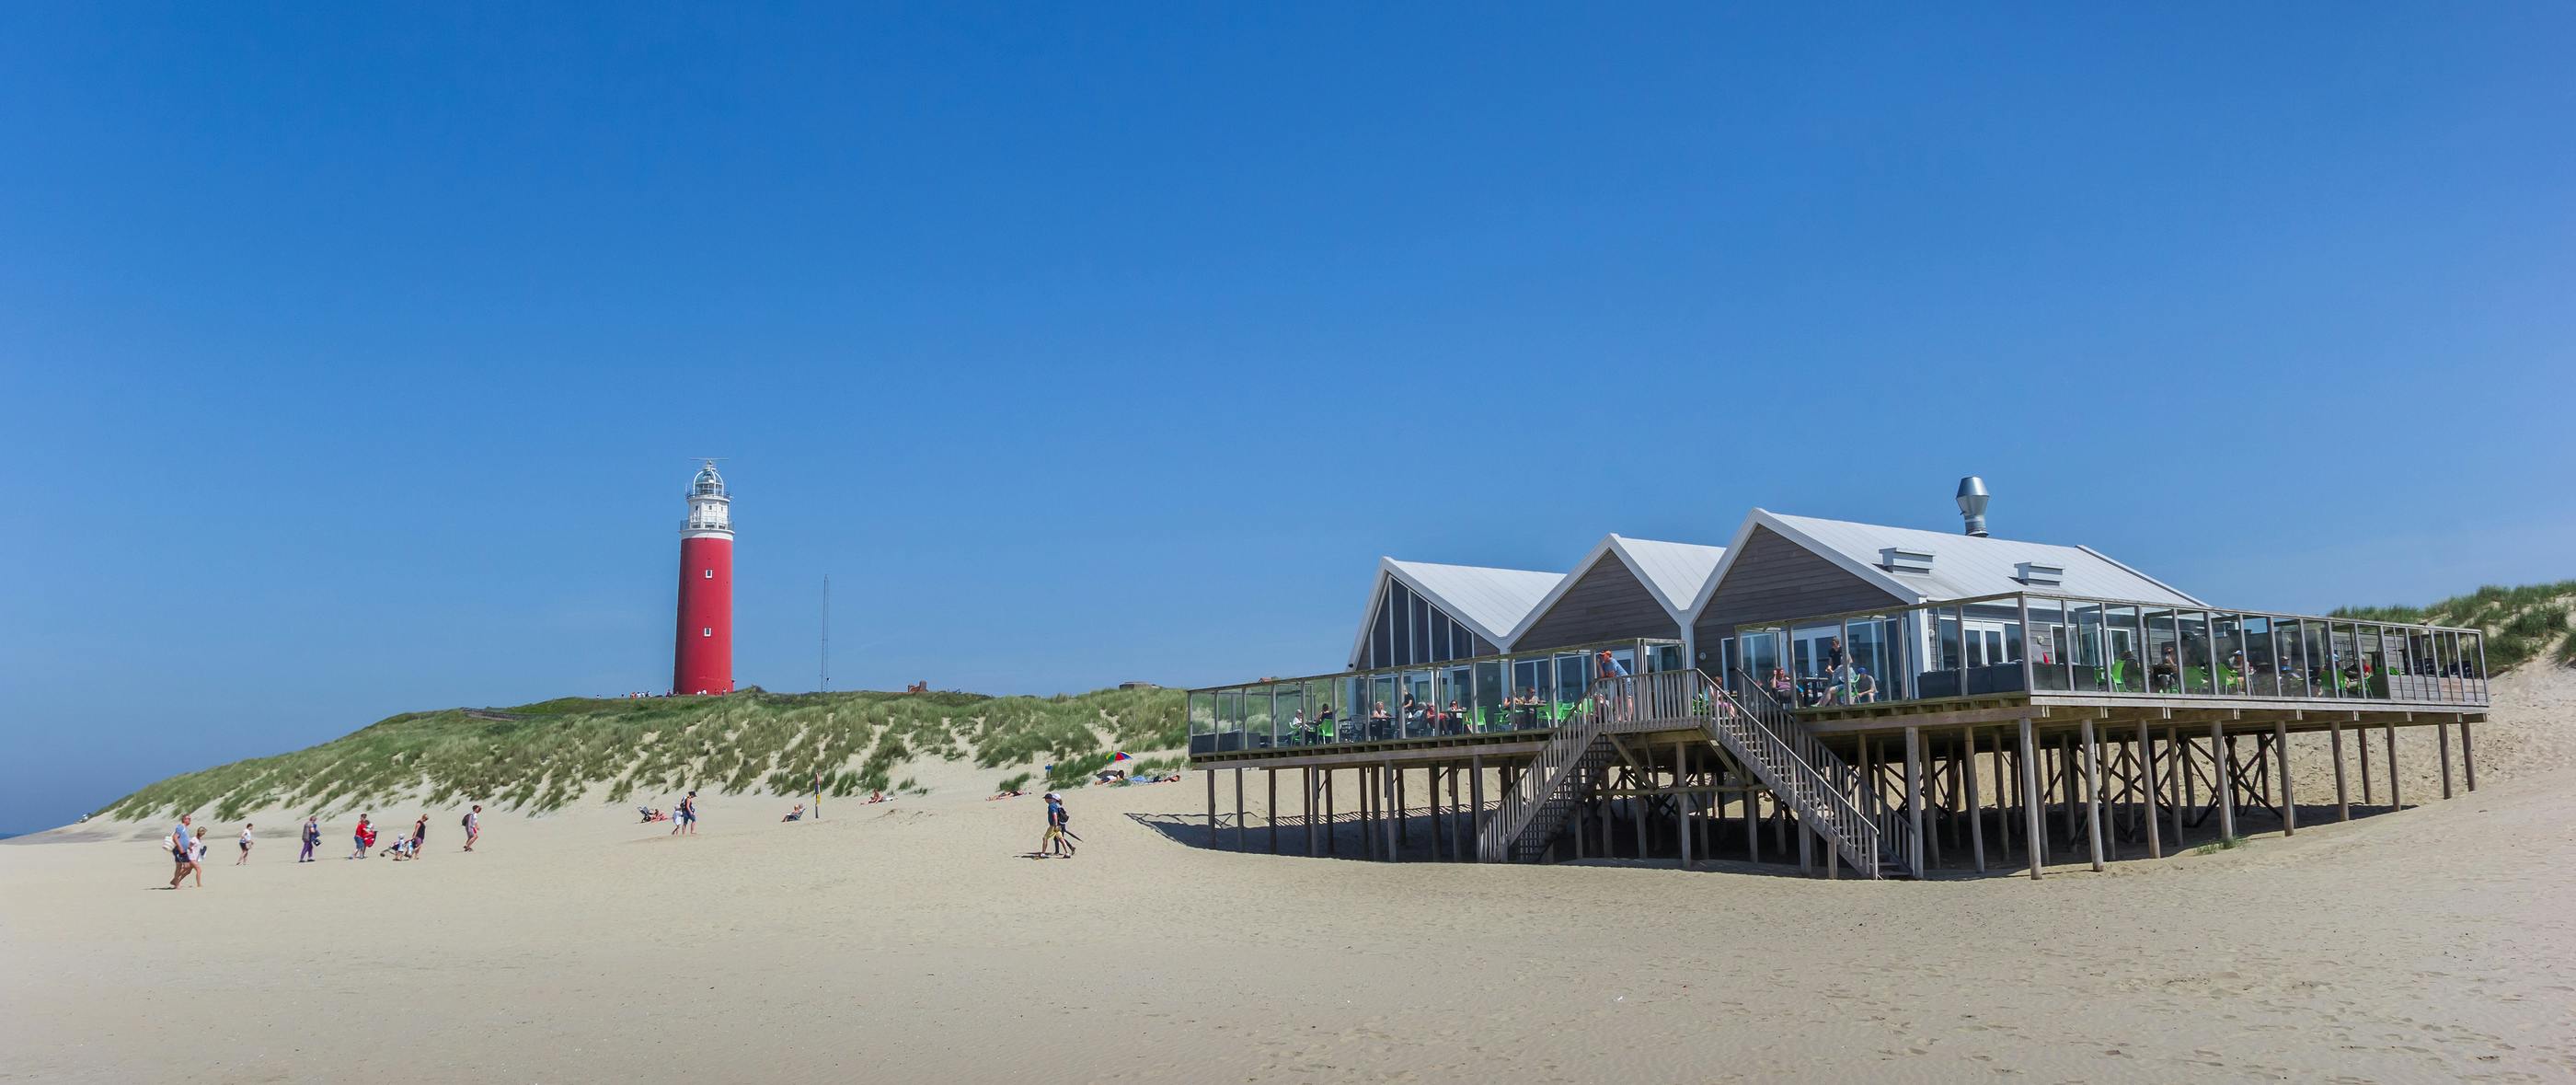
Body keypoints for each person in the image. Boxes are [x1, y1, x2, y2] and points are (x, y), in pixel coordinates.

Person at [1040, 792, 1075, 858]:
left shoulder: (1051, 806)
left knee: (1045, 838)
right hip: (1058, 825)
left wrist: (1055, 825)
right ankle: (1067, 853)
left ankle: (1043, 853)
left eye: (1045, 799)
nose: (1045, 800)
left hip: (1053, 825)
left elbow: (1055, 815)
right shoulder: (1055, 805)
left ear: (1048, 799)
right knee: (1061, 839)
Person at [167, 814, 197, 889]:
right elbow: (175, 837)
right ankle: (176, 883)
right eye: (188, 818)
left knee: (184, 866)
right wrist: (180, 847)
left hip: (183, 850)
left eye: (190, 819)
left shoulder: (185, 828)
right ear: (184, 819)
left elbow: (184, 839)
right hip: (179, 850)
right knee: (183, 866)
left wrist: (189, 847)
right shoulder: (180, 827)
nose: (190, 820)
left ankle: (175, 881)